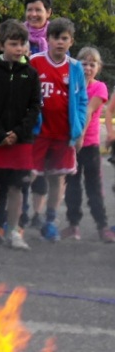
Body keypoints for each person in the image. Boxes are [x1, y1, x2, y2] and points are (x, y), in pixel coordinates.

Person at [0, 19, 42, 250]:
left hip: (21, 141)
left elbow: (35, 107)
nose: (19, 48)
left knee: (16, 188)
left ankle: (13, 231)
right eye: (13, 44)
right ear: (2, 45)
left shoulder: (31, 74)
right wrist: (0, 133)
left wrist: (18, 133)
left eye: (22, 44)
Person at [28, 17, 87, 241]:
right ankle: (20, 218)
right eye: (56, 38)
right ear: (48, 39)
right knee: (28, 175)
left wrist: (79, 128)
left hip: (63, 134)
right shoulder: (34, 62)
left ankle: (50, 221)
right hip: (38, 133)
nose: (60, 42)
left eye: (65, 38)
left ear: (71, 41)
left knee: (57, 178)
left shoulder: (75, 67)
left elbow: (81, 100)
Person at [62, 47, 114, 242]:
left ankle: (102, 227)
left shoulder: (99, 87)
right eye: (84, 63)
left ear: (98, 68)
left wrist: (79, 137)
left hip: (89, 143)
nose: (88, 67)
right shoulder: (70, 85)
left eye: (92, 64)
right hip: (70, 143)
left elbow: (89, 111)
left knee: (94, 186)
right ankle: (73, 225)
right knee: (72, 186)